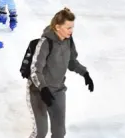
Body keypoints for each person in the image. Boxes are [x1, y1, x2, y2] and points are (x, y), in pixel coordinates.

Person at [27, 8, 94, 138]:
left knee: (59, 133)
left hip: (58, 90)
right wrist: (43, 89)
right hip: (38, 91)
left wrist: (85, 74)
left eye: (72, 27)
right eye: (68, 28)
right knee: (40, 132)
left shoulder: (68, 40)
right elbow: (35, 69)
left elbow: (72, 62)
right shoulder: (45, 42)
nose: (71, 31)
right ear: (58, 27)